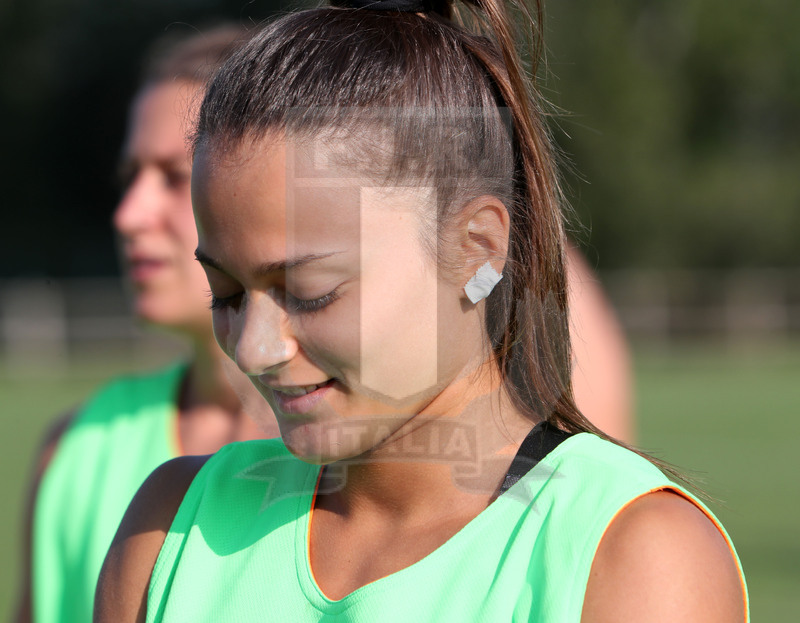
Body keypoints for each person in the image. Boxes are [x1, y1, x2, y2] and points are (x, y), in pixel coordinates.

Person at [97, 1, 748, 620]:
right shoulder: (169, 527)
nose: (254, 347)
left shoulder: (631, 554)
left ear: (476, 250)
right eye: (229, 294)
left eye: (311, 290)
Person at [14, 27, 279, 623]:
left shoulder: (355, 460)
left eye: (172, 176)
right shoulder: (75, 449)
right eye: (130, 176)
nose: (129, 214)